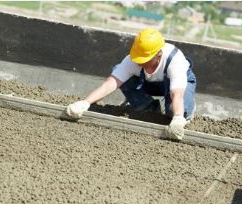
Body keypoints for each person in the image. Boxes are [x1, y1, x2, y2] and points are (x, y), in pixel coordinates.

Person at [66, 28, 196, 141]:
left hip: (174, 87)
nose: (140, 63)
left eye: (145, 60)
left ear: (159, 54)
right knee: (117, 70)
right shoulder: (133, 60)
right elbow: (111, 83)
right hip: (148, 83)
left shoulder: (174, 60)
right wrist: (85, 103)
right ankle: (148, 108)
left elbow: (176, 94)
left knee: (173, 112)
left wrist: (178, 117)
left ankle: (186, 112)